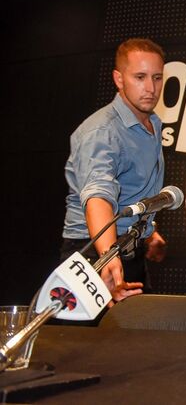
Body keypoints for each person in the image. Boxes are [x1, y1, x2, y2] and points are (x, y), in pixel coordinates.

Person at [61, 38, 168, 301]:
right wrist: (107, 256)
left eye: (157, 78)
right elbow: (99, 196)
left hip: (128, 246)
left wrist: (148, 232)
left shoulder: (152, 122)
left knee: (138, 327)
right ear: (119, 79)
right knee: (92, 330)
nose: (151, 88)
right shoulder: (102, 131)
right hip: (92, 251)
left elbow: (131, 192)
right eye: (140, 77)